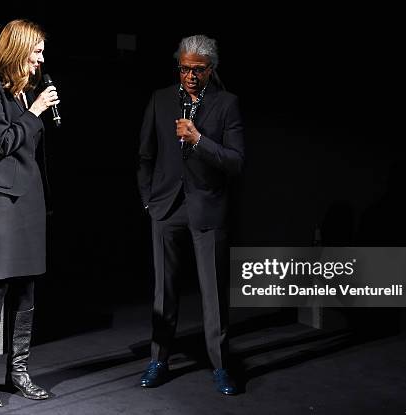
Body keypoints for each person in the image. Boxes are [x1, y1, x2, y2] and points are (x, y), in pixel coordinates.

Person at [137, 34, 244, 395]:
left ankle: (220, 366)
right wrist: (148, 201)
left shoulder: (227, 104)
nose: (190, 76)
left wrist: (199, 140)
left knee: (213, 292)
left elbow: (235, 161)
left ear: (211, 70)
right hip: (166, 207)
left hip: (207, 207)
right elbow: (145, 156)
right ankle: (158, 360)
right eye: (184, 68)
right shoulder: (161, 99)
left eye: (198, 69)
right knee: (163, 292)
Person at [0, 19, 59, 408]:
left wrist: (35, 106)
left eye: (41, 52)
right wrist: (36, 111)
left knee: (27, 285)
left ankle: (19, 373)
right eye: (35, 51)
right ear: (18, 50)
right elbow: (3, 142)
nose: (40, 59)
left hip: (29, 200)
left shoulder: (27, 94)